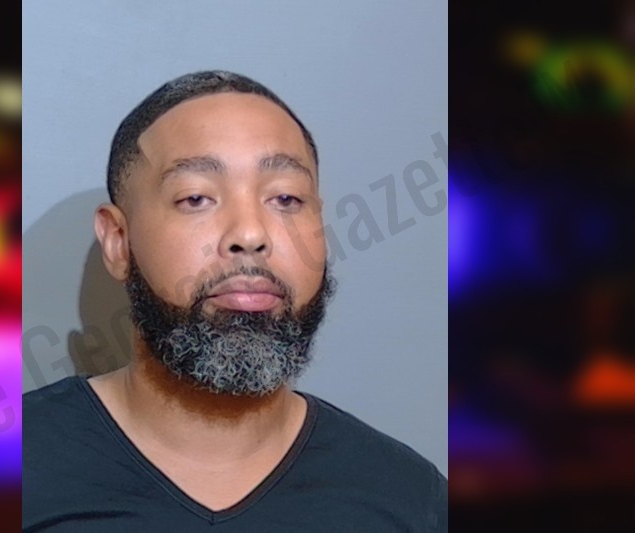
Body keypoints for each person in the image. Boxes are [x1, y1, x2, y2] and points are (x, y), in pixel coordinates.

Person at [23, 70, 447, 532]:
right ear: (118, 241)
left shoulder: (410, 499)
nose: (249, 233)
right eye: (195, 198)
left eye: (286, 198)